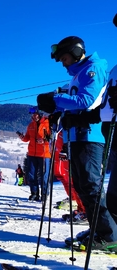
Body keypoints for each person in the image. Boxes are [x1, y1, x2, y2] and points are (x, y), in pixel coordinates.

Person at [37, 36, 117, 252]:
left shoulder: (94, 68)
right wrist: (57, 110)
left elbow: (86, 101)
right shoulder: (78, 75)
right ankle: (98, 230)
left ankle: (108, 235)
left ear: (75, 51)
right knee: (82, 187)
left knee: (91, 188)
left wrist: (55, 100)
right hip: (77, 137)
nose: (63, 64)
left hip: (90, 137)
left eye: (64, 58)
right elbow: (73, 101)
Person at [17, 107, 51, 201]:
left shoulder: (48, 124)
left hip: (44, 154)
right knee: (32, 175)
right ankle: (34, 194)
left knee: (44, 176)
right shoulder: (31, 125)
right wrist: (22, 137)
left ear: (40, 114)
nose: (34, 116)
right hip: (32, 154)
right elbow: (27, 138)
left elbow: (52, 139)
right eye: (33, 115)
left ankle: (44, 194)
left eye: (36, 114)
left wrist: (43, 141)